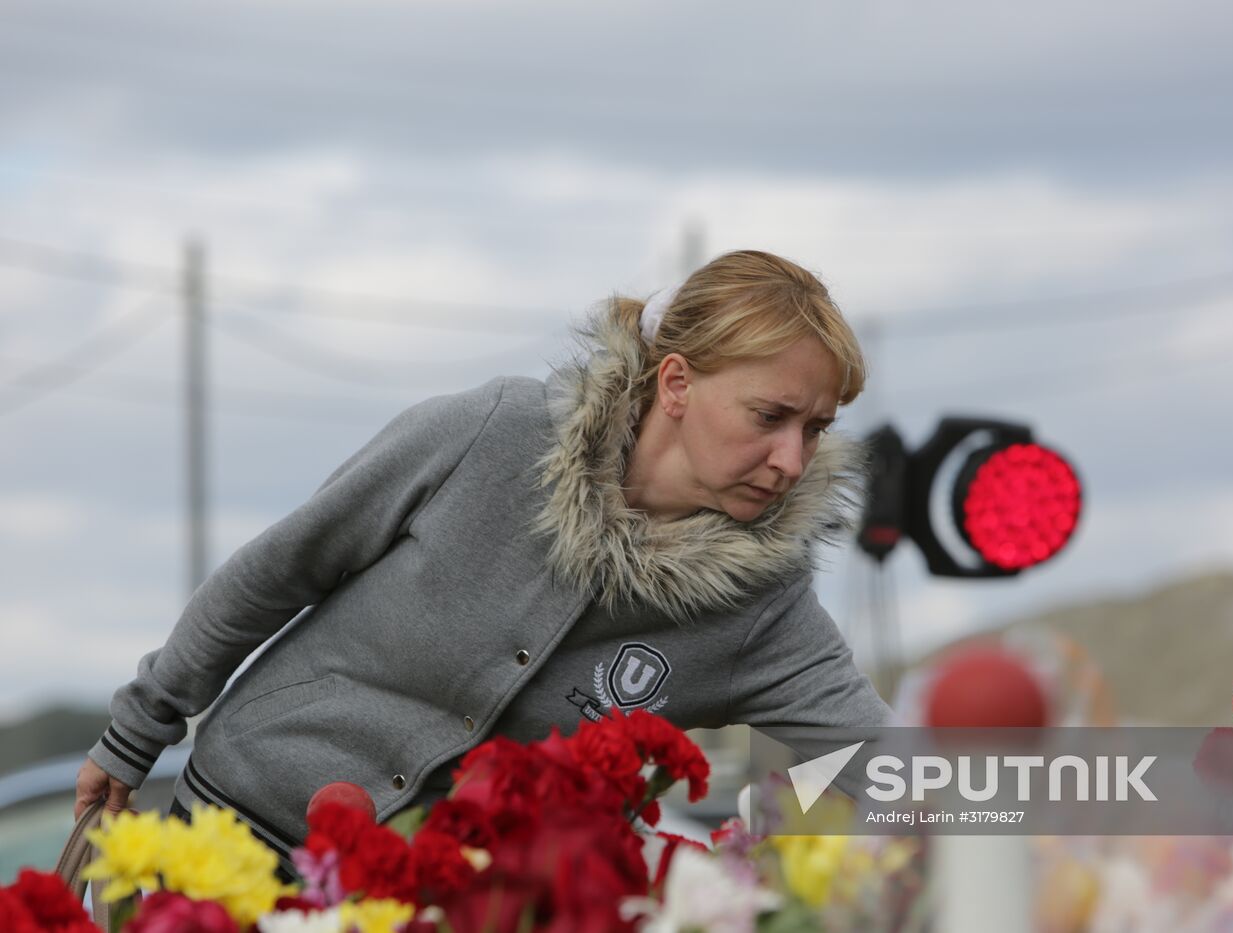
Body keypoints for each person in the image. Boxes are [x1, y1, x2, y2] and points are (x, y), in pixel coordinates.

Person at [75, 249, 893, 869]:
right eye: (770, 415)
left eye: (814, 428)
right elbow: (277, 571)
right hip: (236, 832)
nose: (791, 458)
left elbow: (888, 770)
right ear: (675, 382)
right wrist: (135, 731)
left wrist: (1014, 841)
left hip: (433, 898)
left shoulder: (766, 610)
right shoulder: (492, 432)